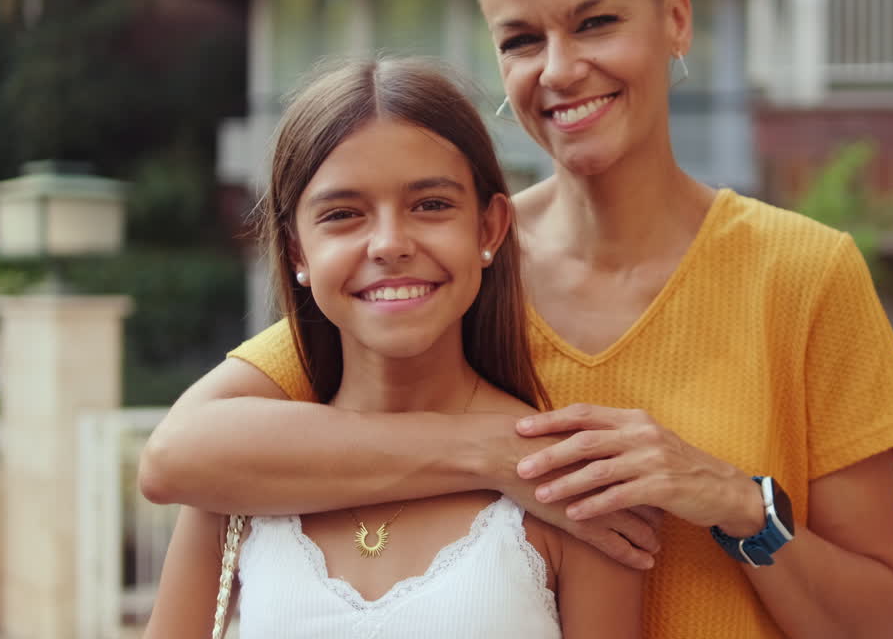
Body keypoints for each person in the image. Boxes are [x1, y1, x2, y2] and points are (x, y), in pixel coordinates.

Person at [140, 0, 893, 636]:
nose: (560, 69)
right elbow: (178, 455)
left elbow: (875, 619)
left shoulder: (804, 275)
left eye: (596, 22)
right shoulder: (447, 265)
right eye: (522, 39)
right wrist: (494, 453)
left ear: (675, 19)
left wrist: (735, 502)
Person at [142, 57, 643, 638]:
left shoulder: (570, 488)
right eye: (343, 214)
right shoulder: (236, 475)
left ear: (489, 230)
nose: (389, 244)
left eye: (430, 205)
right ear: (298, 252)